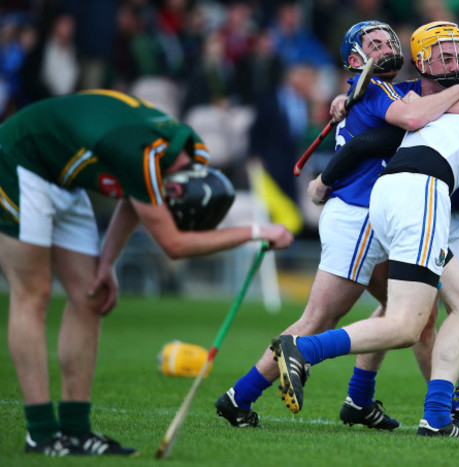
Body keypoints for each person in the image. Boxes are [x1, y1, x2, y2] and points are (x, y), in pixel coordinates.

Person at [215, 20, 459, 432]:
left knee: (411, 315)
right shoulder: (381, 92)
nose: (385, 47)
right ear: (354, 59)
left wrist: (348, 97)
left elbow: (441, 107)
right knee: (317, 321)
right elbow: (419, 118)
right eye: (374, 44)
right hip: (358, 215)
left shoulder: (384, 91)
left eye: (388, 41)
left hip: (376, 218)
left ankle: (361, 400)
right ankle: (240, 396)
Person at [0, 90, 293, 456]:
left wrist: (106, 263)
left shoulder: (192, 151)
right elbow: (173, 244)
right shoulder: (141, 154)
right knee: (34, 294)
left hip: (65, 178)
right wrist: (256, 231)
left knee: (91, 296)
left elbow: (133, 195)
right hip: (19, 159)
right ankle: (41, 433)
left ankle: (76, 431)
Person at [271, 67, 459, 439]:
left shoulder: (450, 107)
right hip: (424, 194)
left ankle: (427, 410)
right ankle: (307, 350)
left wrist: (343, 109)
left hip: (386, 194)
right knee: (408, 324)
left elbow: (371, 137)